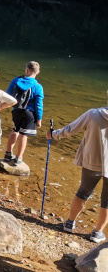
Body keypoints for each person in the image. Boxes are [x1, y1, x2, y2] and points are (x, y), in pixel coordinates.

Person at [52, 91, 108, 243]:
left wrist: (54, 134)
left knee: (83, 191)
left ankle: (69, 223)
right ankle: (97, 233)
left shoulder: (93, 114)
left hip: (91, 162)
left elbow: (71, 129)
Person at [5, 61, 44, 166]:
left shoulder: (16, 80)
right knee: (23, 136)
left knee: (15, 131)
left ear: (26, 70)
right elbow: (39, 105)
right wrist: (39, 120)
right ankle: (18, 158)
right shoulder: (38, 86)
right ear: (38, 72)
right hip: (29, 114)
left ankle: (8, 153)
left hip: (16, 110)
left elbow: (8, 95)